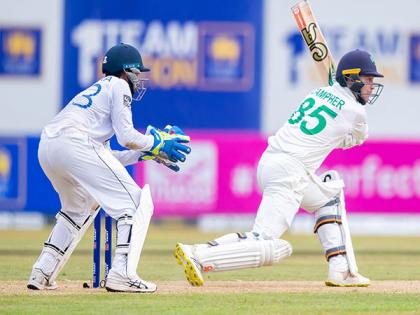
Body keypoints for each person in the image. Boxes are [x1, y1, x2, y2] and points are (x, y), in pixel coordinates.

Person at [174, 49, 384, 287]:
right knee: (266, 242)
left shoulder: (318, 92)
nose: (371, 86)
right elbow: (357, 138)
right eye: (368, 80)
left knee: (328, 196)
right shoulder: (356, 111)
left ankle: (341, 270)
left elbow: (333, 133)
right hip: (290, 172)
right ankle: (199, 255)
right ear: (351, 78)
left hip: (272, 162)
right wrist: (349, 131)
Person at [27, 43, 191, 293]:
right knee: (135, 203)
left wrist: (147, 154)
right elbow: (126, 136)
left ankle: (42, 272)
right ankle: (122, 275)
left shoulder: (97, 91)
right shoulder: (119, 85)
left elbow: (105, 155)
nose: (139, 79)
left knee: (78, 208)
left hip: (49, 146)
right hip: (74, 144)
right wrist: (158, 143)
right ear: (126, 71)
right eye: (137, 73)